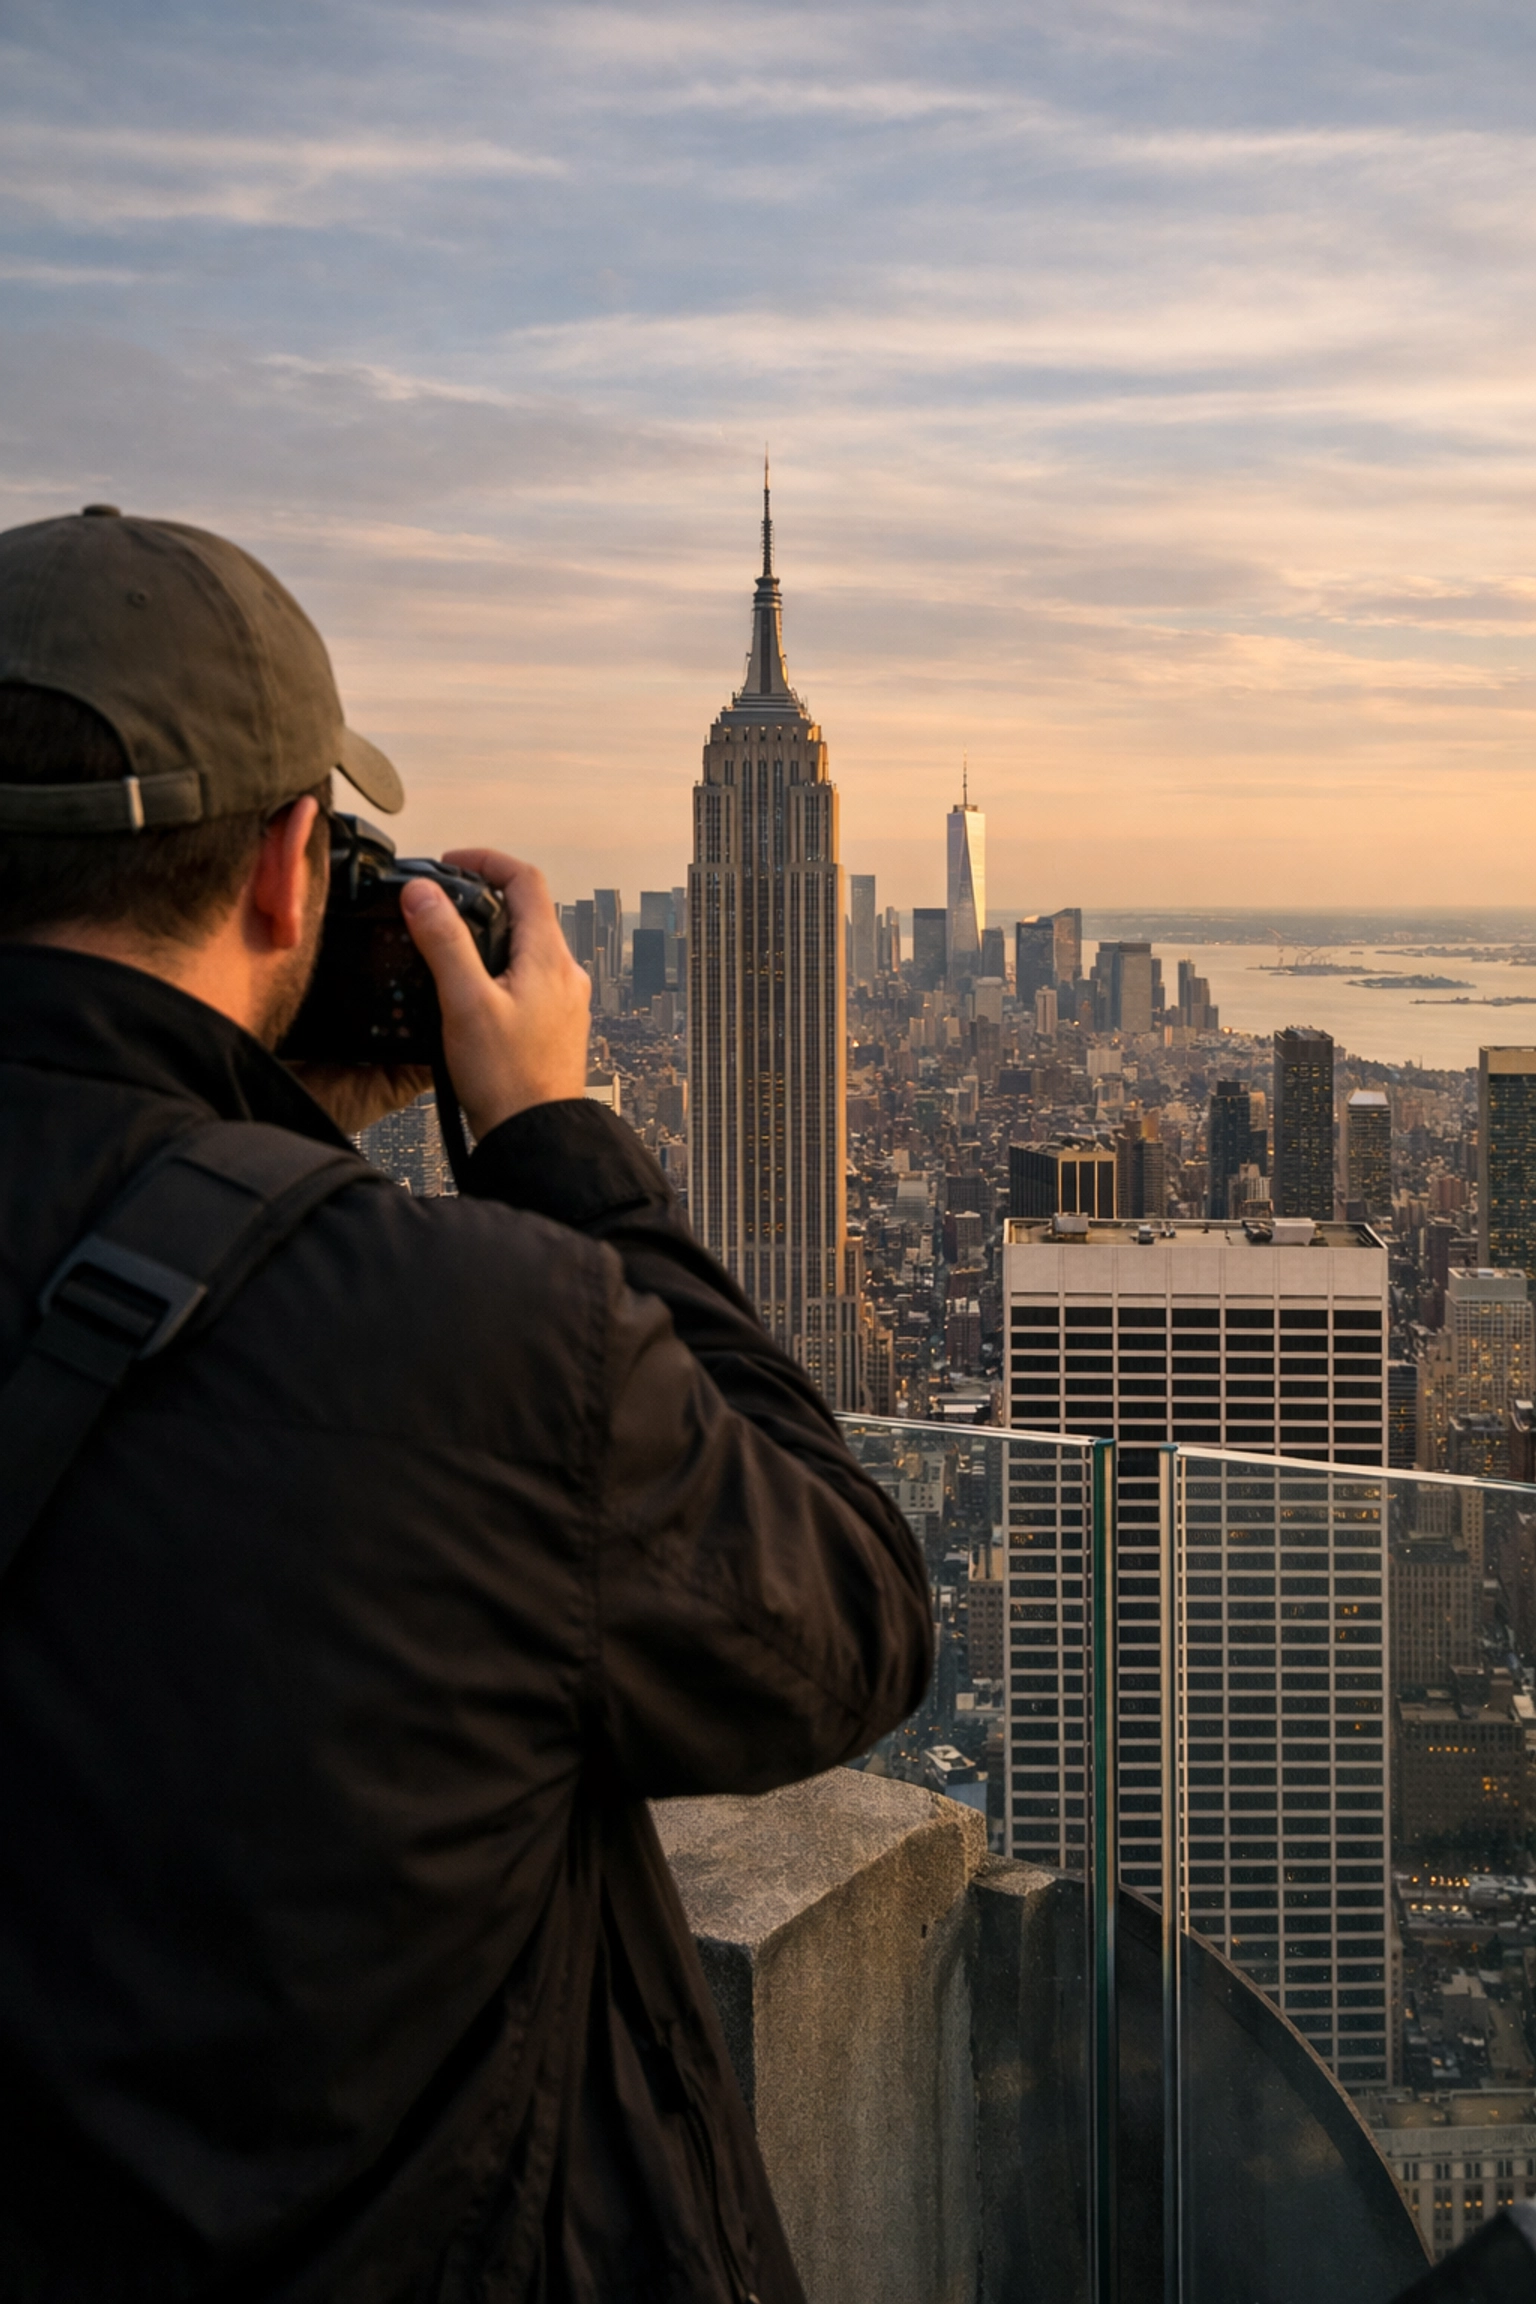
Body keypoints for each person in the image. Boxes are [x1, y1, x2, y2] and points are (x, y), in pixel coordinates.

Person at [0, 507, 932, 2303]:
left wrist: (254, 1155)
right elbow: (848, 1626)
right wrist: (553, 1147)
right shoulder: (471, 1343)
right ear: (295, 872)